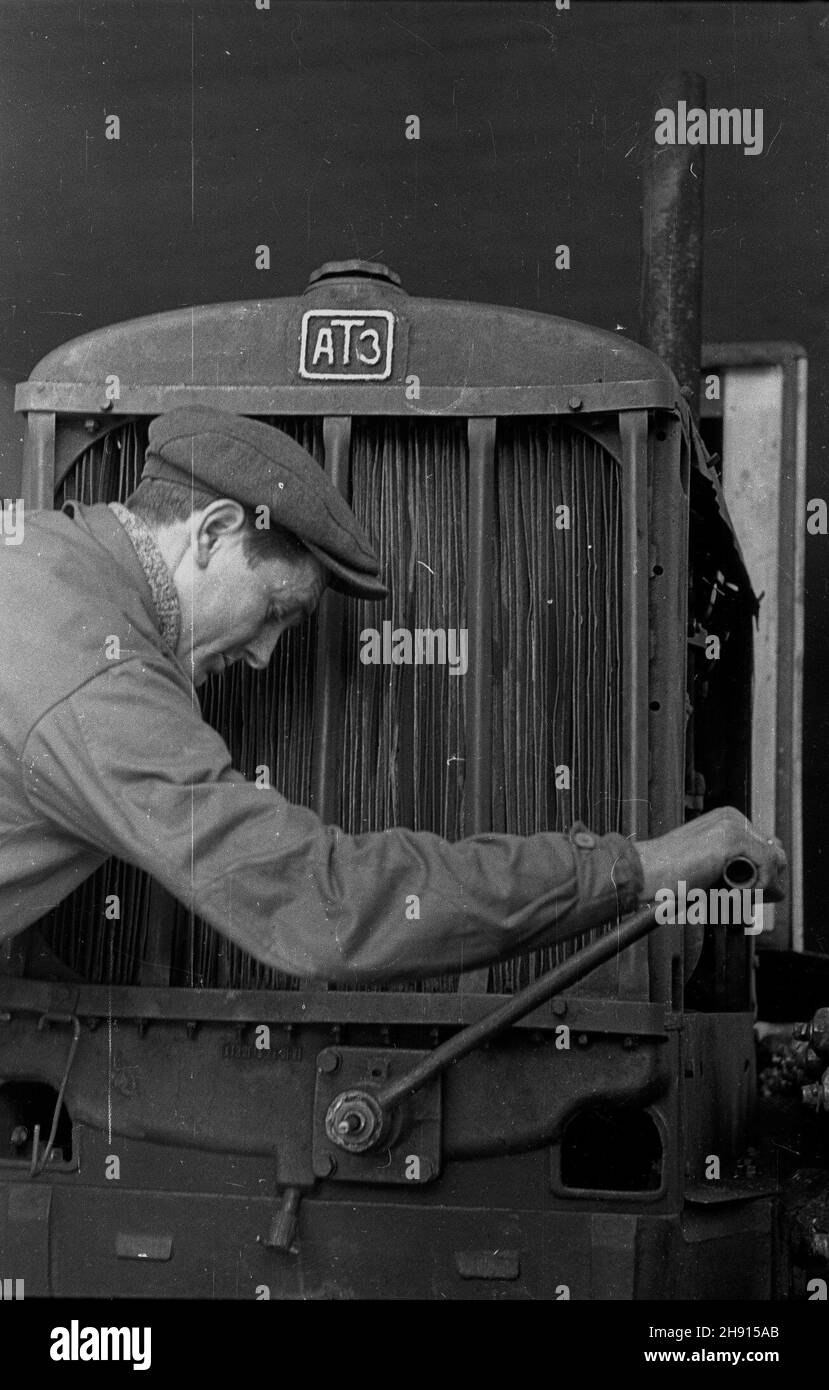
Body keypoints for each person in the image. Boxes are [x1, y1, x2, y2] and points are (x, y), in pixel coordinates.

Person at [0, 407, 786, 983]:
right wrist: (631, 868)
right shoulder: (95, 681)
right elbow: (324, 906)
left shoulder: (39, 552)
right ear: (211, 531)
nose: (266, 655)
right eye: (276, 608)